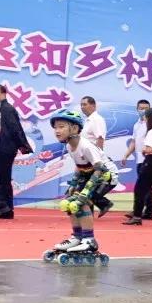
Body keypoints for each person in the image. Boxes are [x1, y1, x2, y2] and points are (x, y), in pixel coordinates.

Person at [44, 110, 117, 263]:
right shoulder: (70, 146)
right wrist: (73, 185)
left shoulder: (86, 146)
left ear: (75, 129)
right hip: (90, 174)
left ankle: (89, 240)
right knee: (69, 202)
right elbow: (79, 167)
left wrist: (85, 191)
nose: (57, 131)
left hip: (106, 175)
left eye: (61, 126)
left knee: (82, 201)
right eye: (55, 127)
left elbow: (100, 169)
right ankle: (77, 237)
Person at [0, 84, 33, 219]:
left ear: (3, 93)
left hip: (5, 148)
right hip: (3, 148)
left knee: (4, 178)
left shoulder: (7, 109)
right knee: (3, 178)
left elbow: (15, 128)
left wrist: (22, 145)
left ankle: (6, 210)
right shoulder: (2, 109)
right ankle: (5, 209)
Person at [122, 99, 152, 221]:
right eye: (141, 108)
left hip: (149, 159)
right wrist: (126, 155)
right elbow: (134, 142)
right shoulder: (137, 125)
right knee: (145, 187)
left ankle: (143, 211)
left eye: (146, 108)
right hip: (139, 159)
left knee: (143, 186)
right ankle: (147, 211)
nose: (143, 110)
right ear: (137, 109)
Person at [80, 96, 113, 217]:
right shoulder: (88, 120)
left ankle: (102, 204)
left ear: (93, 105)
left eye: (85, 104)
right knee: (86, 185)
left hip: (93, 159)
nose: (82, 107)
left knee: (86, 186)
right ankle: (95, 209)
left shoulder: (97, 119)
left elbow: (100, 138)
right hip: (86, 158)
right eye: (81, 105)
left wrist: (97, 159)